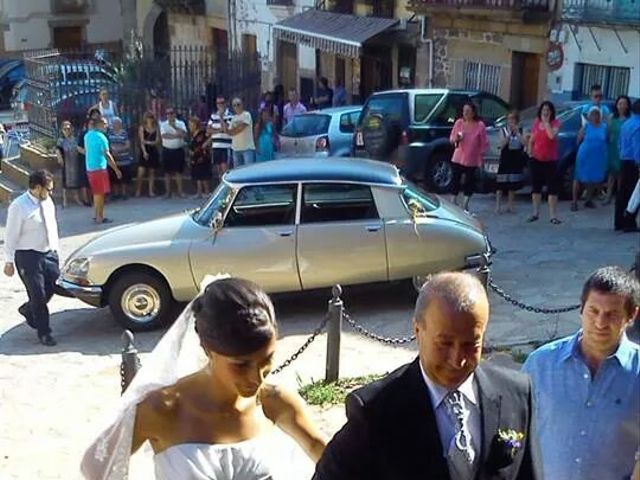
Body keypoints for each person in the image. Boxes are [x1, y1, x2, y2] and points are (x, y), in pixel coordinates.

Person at [81, 276, 327, 480]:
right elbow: (95, 469)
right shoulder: (161, 409)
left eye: (266, 359)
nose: (257, 376)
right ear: (207, 349)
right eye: (241, 365)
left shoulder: (276, 402)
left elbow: (325, 454)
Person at [313, 272, 542, 480]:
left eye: (470, 344)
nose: (457, 359)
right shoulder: (376, 411)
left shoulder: (516, 393)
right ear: (417, 330)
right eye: (444, 344)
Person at [522, 266, 640, 480]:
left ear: (632, 315)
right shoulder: (540, 364)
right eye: (593, 311)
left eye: (612, 314)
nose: (600, 323)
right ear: (581, 308)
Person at [3, 170, 60, 346]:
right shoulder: (19, 206)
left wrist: (55, 250)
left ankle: (29, 310)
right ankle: (45, 332)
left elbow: (52, 226)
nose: (50, 193)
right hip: (28, 256)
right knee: (38, 294)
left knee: (53, 286)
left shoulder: (47, 202)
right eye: (48, 189)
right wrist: (9, 260)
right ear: (36, 187)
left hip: (48, 253)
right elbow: (11, 234)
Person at [448, 102, 489, 212]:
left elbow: (484, 143)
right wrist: (456, 139)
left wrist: (481, 157)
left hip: (472, 158)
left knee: (469, 181)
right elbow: (451, 138)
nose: (465, 113)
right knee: (455, 178)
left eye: (468, 111)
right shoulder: (459, 123)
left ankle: (465, 203)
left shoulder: (480, 125)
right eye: (464, 111)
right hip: (458, 156)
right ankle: (453, 200)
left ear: (473, 113)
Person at [528, 101, 562, 224]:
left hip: (550, 160)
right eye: (543, 110)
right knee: (536, 187)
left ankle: (553, 215)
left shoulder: (555, 123)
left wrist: (547, 123)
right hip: (536, 159)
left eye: (548, 110)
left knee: (552, 188)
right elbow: (532, 138)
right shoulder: (536, 123)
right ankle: (535, 213)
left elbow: (551, 136)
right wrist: (530, 151)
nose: (545, 112)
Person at [85, 116, 122, 224]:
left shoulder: (87, 135)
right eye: (105, 123)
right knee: (100, 194)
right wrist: (116, 169)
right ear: (100, 124)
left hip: (90, 168)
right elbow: (107, 154)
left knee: (96, 193)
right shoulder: (102, 137)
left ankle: (97, 215)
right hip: (99, 168)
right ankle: (99, 217)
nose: (107, 126)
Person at [572, 106, 609, 211]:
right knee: (578, 177)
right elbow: (578, 140)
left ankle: (588, 199)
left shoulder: (604, 127)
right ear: (589, 115)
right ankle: (574, 201)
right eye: (593, 114)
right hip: (585, 155)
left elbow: (607, 139)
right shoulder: (586, 126)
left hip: (598, 157)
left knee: (593, 178)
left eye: (597, 114)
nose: (595, 116)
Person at [495, 110, 527, 214]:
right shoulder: (503, 130)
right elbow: (501, 145)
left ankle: (510, 205)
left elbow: (524, 143)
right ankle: (498, 206)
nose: (511, 121)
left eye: (513, 118)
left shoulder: (521, 130)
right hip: (505, 157)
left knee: (512, 184)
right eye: (509, 119)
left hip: (516, 157)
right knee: (500, 183)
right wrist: (509, 136)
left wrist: (517, 133)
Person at [616, 98, 640, 232]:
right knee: (634, 194)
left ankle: (619, 221)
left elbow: (620, 142)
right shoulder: (638, 126)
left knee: (623, 192)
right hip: (634, 162)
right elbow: (638, 147)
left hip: (624, 159)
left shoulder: (626, 123)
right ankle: (629, 222)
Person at [605, 95, 631, 205]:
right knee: (611, 174)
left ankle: (619, 197)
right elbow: (606, 131)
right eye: (620, 103)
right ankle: (608, 196)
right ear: (616, 105)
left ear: (628, 105)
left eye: (624, 104)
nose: (621, 106)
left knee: (621, 175)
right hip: (612, 147)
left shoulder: (629, 119)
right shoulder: (611, 117)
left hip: (624, 148)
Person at [55, 120, 86, 207]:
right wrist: (59, 158)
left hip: (75, 161)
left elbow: (78, 148)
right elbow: (57, 149)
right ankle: (65, 201)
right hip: (66, 162)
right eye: (65, 129)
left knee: (76, 180)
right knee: (65, 181)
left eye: (68, 129)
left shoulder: (74, 139)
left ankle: (77, 198)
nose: (67, 131)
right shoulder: (61, 140)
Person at [160, 107, 187, 198]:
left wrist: (174, 127)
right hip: (167, 150)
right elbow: (164, 136)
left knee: (178, 172)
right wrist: (177, 135)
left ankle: (180, 191)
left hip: (178, 149)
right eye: (168, 113)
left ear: (175, 114)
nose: (170, 115)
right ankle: (168, 192)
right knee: (167, 172)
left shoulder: (181, 123)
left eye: (171, 113)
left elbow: (183, 134)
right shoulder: (163, 124)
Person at [206, 95, 233, 179]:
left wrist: (221, 117)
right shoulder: (213, 116)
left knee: (225, 169)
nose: (220, 105)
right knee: (218, 170)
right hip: (216, 146)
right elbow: (208, 130)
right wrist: (219, 130)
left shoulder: (230, 115)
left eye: (222, 103)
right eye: (218, 103)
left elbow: (226, 129)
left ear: (225, 104)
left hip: (226, 146)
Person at [107, 117, 134, 200]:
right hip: (114, 159)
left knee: (124, 178)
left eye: (118, 123)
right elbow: (107, 144)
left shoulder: (124, 133)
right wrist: (112, 150)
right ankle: (116, 193)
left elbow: (128, 145)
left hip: (124, 159)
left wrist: (119, 149)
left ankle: (124, 193)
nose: (116, 125)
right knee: (114, 178)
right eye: (114, 123)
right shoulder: (110, 133)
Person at [135, 111, 160, 197]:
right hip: (144, 150)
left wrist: (148, 142)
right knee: (141, 172)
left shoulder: (156, 128)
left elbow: (157, 141)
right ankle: (138, 190)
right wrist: (144, 152)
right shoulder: (142, 127)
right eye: (148, 117)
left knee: (151, 172)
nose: (150, 119)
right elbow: (142, 141)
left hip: (153, 150)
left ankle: (151, 191)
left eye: (151, 117)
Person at [226, 97, 256, 168]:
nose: (236, 107)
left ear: (242, 105)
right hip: (236, 149)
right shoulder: (233, 118)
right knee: (237, 171)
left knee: (248, 171)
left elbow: (241, 128)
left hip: (247, 148)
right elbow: (229, 132)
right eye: (234, 105)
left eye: (238, 104)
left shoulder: (246, 115)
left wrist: (233, 130)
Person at [188, 116, 210, 198]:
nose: (190, 126)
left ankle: (207, 192)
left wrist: (205, 145)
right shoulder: (192, 134)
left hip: (202, 156)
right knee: (197, 175)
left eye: (191, 124)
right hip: (195, 157)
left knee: (204, 174)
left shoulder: (203, 132)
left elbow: (209, 138)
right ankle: (199, 192)